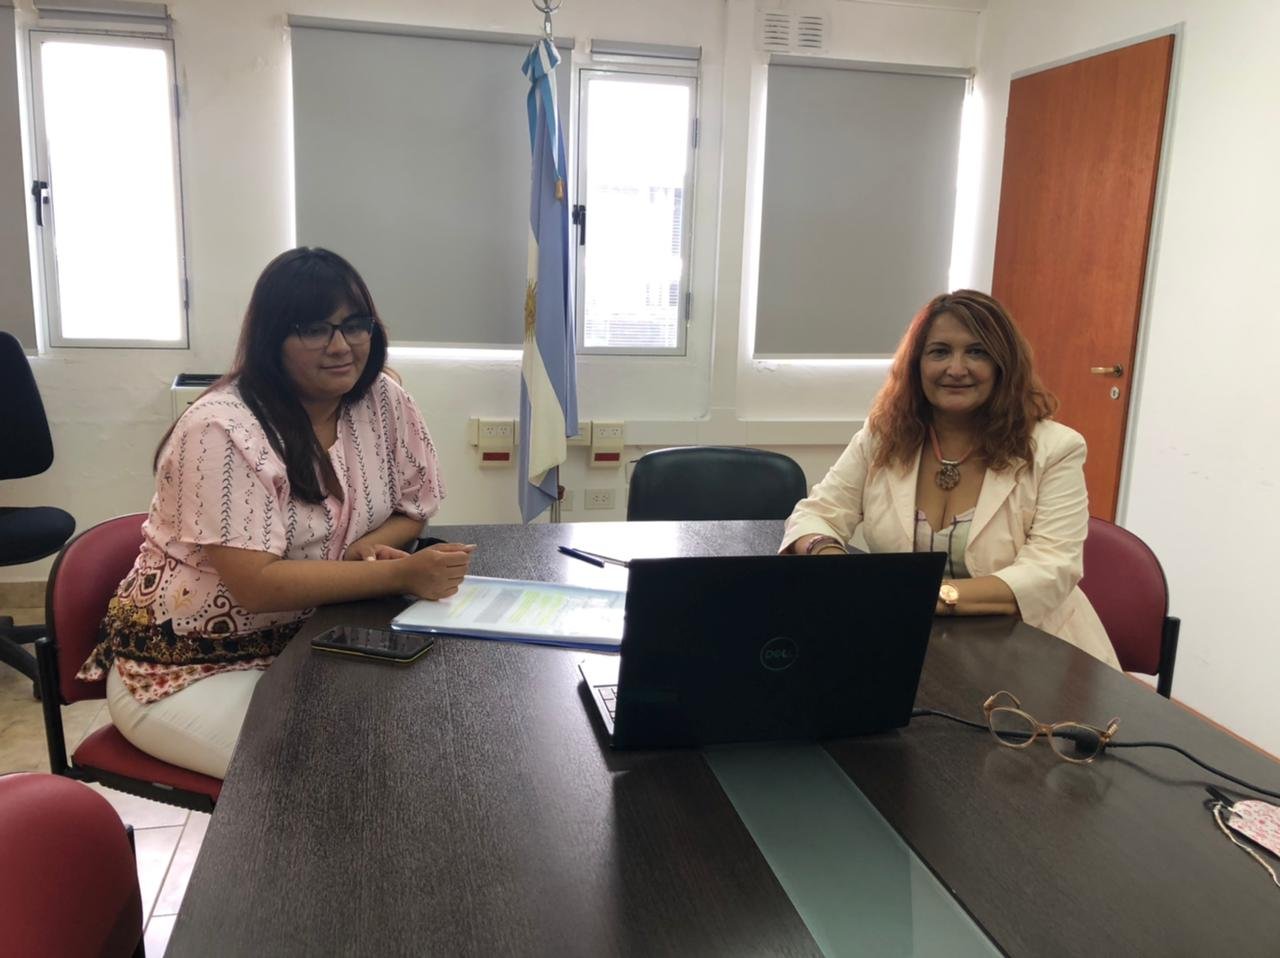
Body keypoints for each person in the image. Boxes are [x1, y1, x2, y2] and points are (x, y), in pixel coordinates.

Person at [77, 247, 474, 777]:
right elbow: (257, 585)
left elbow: (413, 504)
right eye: (314, 329)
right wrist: (401, 574)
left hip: (309, 639)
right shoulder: (222, 428)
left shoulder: (383, 398)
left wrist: (364, 548)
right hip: (188, 666)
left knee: (422, 731)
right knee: (335, 772)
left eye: (355, 324)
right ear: (273, 339)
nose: (341, 346)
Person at [781, 290, 1119, 668]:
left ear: (1003, 364)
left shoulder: (1056, 449)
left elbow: (1051, 570)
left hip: (1032, 649)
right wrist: (833, 562)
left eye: (977, 352)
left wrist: (926, 597)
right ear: (917, 365)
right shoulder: (883, 437)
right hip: (909, 642)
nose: (956, 369)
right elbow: (816, 514)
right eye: (939, 352)